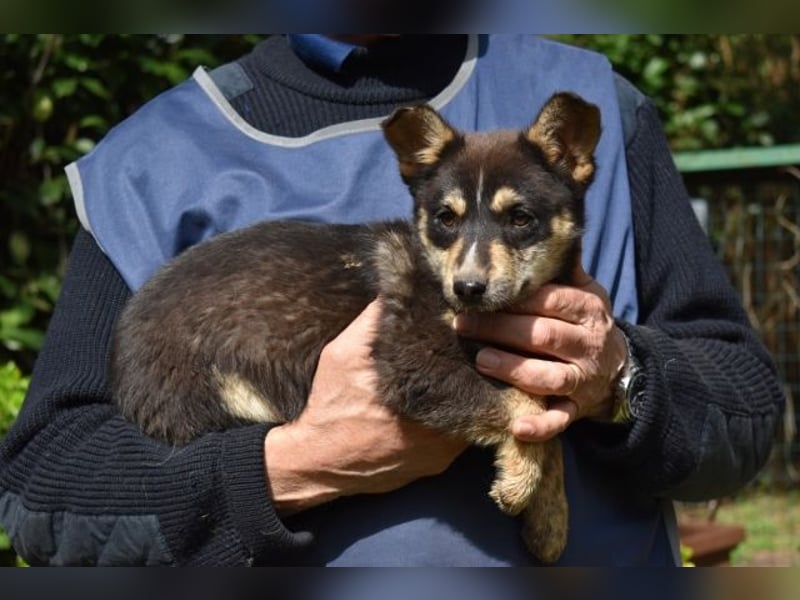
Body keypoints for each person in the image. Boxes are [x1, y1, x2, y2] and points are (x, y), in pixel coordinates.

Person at [0, 34, 785, 566]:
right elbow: (40, 491)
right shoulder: (148, 166)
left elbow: (747, 409)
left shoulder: (596, 106)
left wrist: (621, 378)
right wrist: (288, 466)